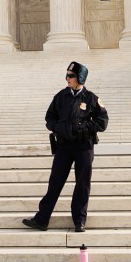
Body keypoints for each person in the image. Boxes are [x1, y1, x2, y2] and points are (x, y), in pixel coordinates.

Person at [23, 61, 108, 233]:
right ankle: (42, 219)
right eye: (67, 75)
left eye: (70, 76)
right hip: (64, 146)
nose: (67, 78)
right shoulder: (60, 96)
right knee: (55, 182)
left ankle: (79, 221)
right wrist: (58, 127)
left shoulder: (91, 98)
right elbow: (49, 118)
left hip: (84, 146)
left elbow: (102, 121)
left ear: (80, 78)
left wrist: (86, 128)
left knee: (82, 184)